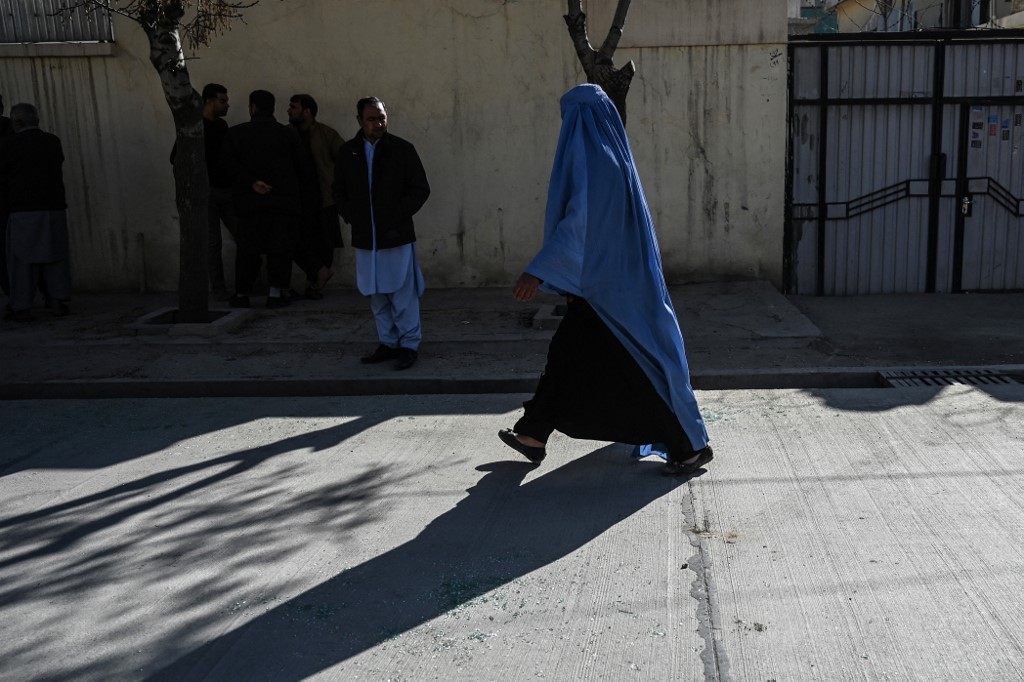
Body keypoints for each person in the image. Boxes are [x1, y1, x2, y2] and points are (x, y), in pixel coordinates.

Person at [497, 84, 713, 477]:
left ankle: (689, 447)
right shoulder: (613, 157)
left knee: (633, 367)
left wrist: (539, 269)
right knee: (574, 359)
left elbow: (580, 225)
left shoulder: (595, 161)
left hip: (605, 292)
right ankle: (533, 433)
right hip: (610, 287)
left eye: (571, 118)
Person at [333, 96, 430, 371]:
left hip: (395, 236)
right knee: (375, 293)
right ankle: (388, 342)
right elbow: (338, 190)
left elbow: (420, 189)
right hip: (366, 238)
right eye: (372, 119)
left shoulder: (401, 149)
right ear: (359, 121)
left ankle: (409, 345)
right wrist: (352, 215)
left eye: (382, 118)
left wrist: (395, 216)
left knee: (402, 294)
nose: (378, 124)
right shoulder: (349, 152)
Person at [221, 90, 316, 309]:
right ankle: (275, 294)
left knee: (247, 250)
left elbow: (228, 166)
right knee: (279, 249)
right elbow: (304, 169)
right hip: (282, 202)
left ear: (252, 108)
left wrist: (251, 183)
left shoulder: (237, 134)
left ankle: (242, 293)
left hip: (249, 203)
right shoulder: (288, 135)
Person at [0, 103, 72, 321]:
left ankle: (22, 306)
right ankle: (57, 301)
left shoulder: (9, 145)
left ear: (17, 122)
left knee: (21, 261)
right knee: (56, 256)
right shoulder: (52, 141)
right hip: (54, 206)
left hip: (23, 208)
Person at [170, 83, 238, 301]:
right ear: (209, 101)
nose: (227, 105)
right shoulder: (194, 126)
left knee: (242, 235)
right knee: (212, 243)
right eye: (223, 101)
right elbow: (177, 159)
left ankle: (243, 285)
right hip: (206, 193)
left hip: (224, 190)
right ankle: (218, 288)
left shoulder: (221, 125)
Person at [287, 93, 344, 299]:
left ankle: (314, 286)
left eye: (293, 107)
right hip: (296, 200)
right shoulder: (286, 134)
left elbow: (345, 160)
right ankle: (319, 273)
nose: (289, 110)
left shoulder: (326, 134)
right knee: (293, 241)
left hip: (323, 198)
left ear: (307, 111)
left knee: (324, 245)